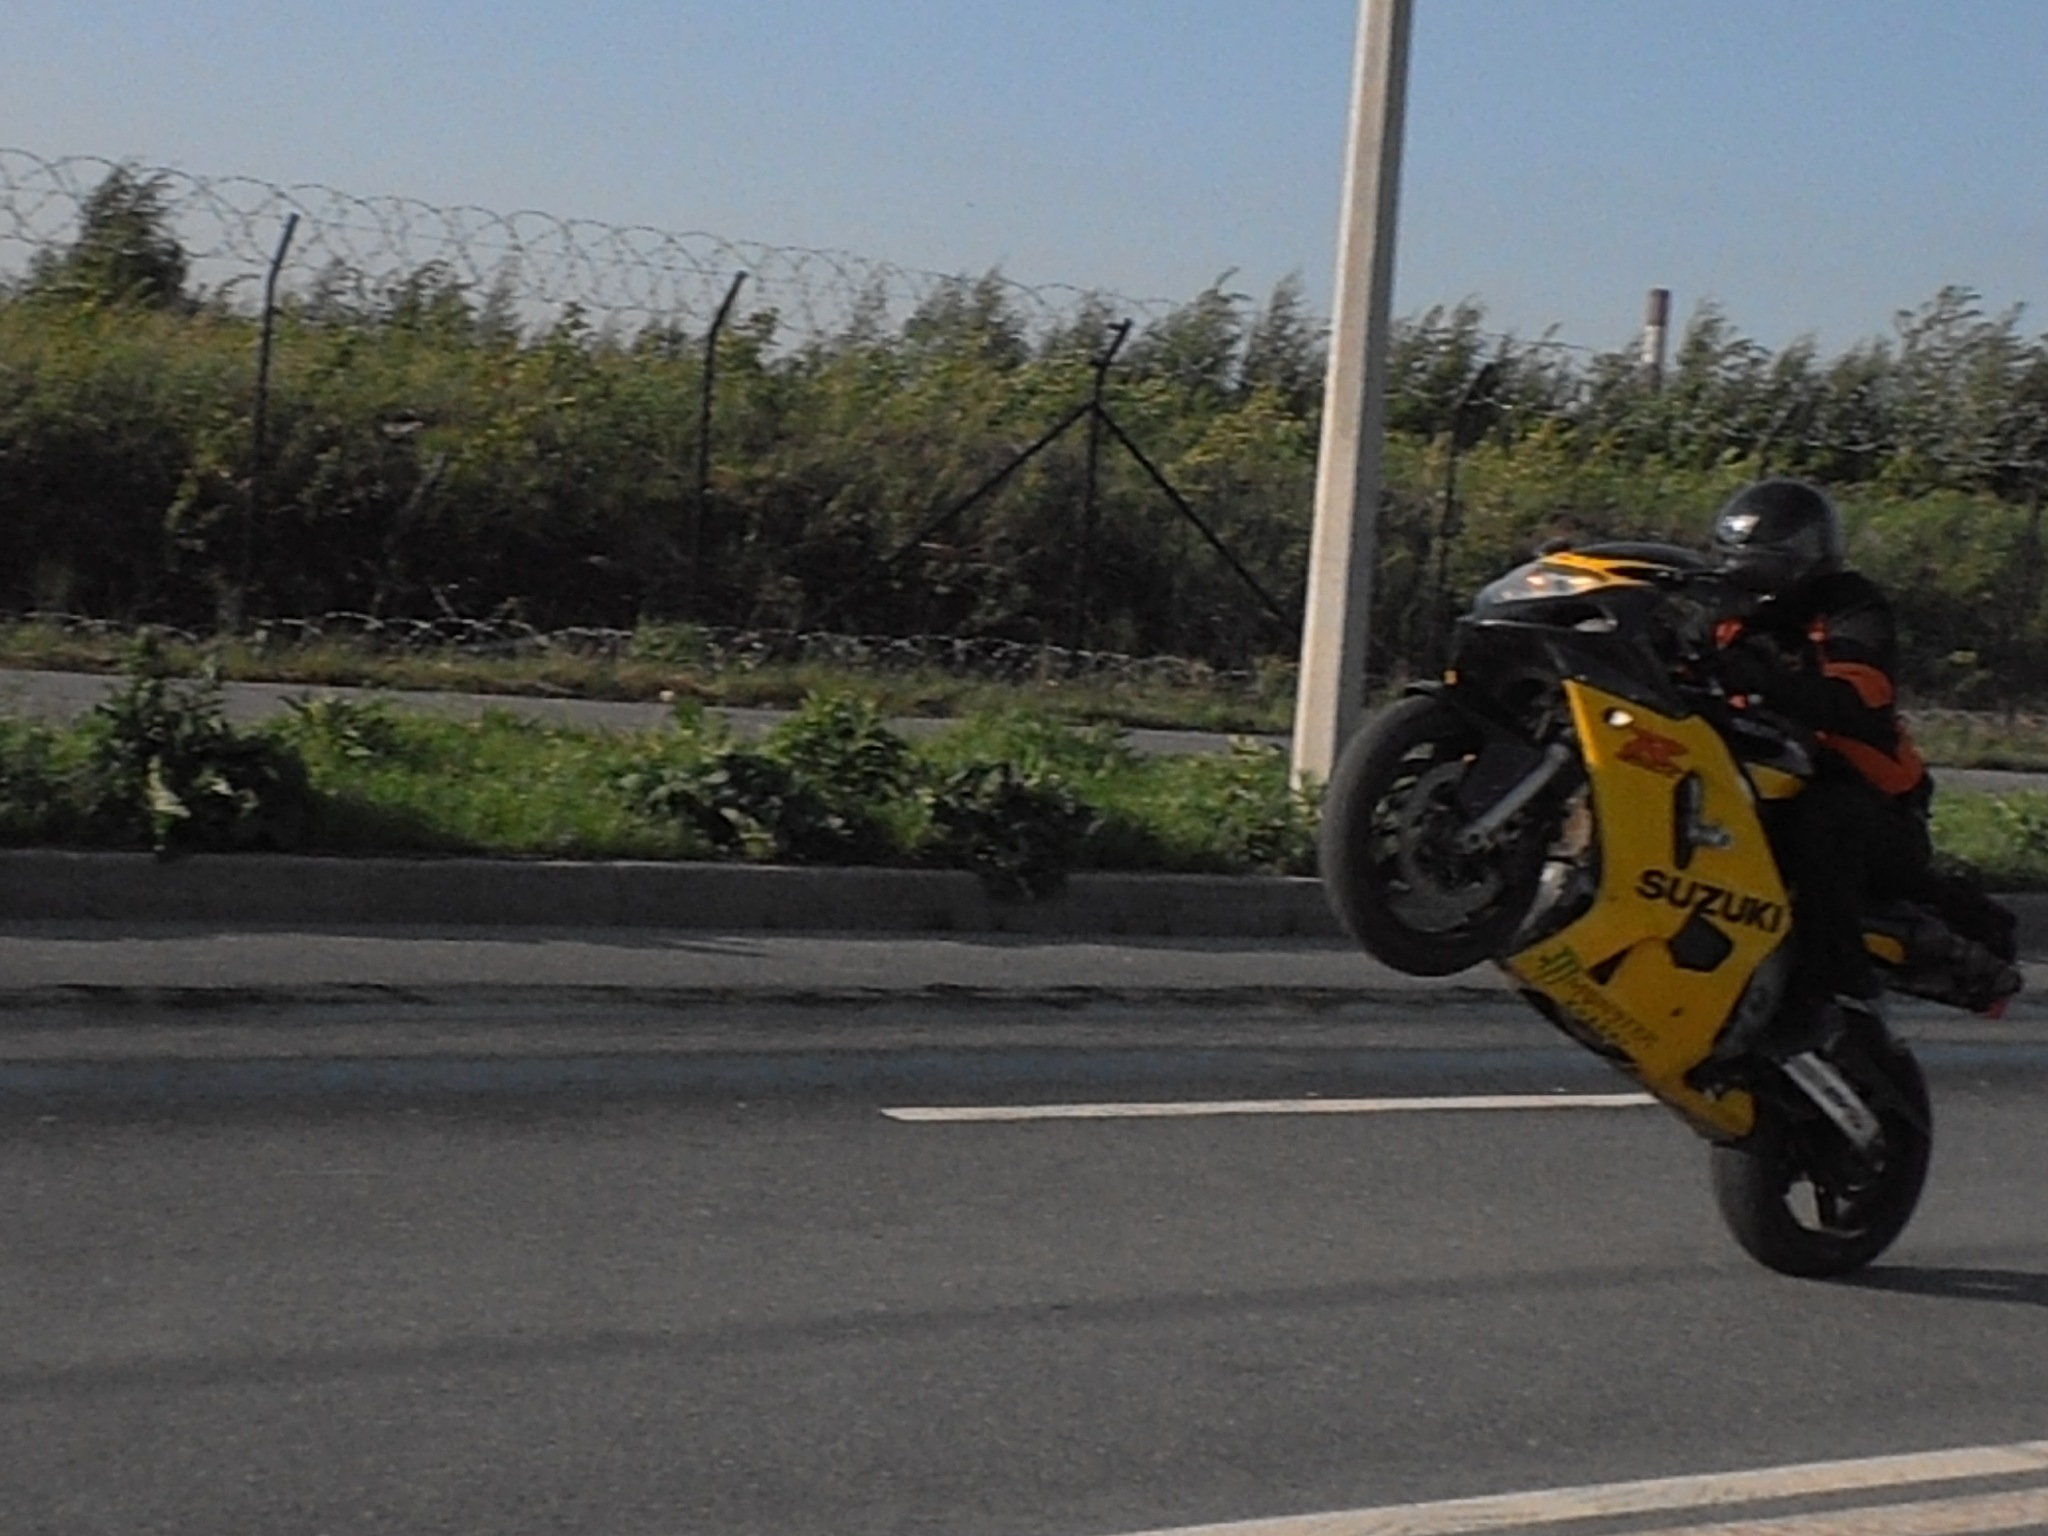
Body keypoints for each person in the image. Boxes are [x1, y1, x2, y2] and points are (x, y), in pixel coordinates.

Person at [1705, 477, 1934, 1055]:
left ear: (1807, 558)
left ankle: (1836, 998)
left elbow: (1860, 697)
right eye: (1740, 563)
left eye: (1767, 565)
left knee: (1822, 824)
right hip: (1765, 779)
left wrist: (1764, 680)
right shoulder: (1723, 608)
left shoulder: (1850, 607)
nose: (1752, 579)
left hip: (1875, 808)